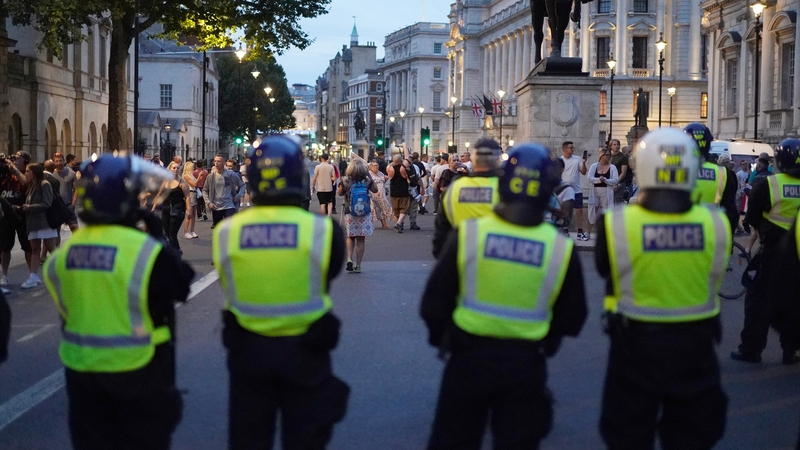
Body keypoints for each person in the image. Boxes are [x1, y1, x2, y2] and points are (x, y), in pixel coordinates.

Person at [420, 142, 587, 449]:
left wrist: (446, 339)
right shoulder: (559, 248)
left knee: (453, 439)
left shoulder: (471, 234)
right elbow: (573, 316)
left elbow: (434, 301)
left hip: (468, 356)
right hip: (525, 361)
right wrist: (546, 343)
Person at [43, 155, 193, 450]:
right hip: (139, 370)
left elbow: (66, 307)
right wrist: (157, 234)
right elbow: (182, 285)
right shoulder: (144, 250)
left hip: (81, 372)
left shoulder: (64, 254)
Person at [596, 128, 730, 450]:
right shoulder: (717, 223)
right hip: (696, 346)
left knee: (627, 436)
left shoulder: (616, 223)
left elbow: (606, 270)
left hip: (633, 344)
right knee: (691, 437)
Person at [214, 136, 349, 449]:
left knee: (249, 438)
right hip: (307, 351)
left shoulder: (227, 232)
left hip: (248, 352)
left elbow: (227, 276)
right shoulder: (324, 230)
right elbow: (329, 273)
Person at [731, 138, 800, 365]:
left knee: (758, 302)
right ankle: (793, 350)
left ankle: (751, 349)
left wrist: (762, 231)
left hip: (773, 252)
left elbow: (751, 217)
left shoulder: (770, 184)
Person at [433, 138, 501, 259]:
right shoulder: (505, 189)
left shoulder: (454, 188)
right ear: (497, 159)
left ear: (473, 159)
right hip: (494, 255)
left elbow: (441, 233)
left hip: (460, 253)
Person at [684, 123, 739, 233]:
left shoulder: (676, 170)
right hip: (713, 232)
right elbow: (731, 213)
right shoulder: (723, 173)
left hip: (684, 233)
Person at [338, 158, 378, 273]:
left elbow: (340, 193)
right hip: (364, 213)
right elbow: (375, 190)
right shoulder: (366, 181)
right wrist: (369, 176)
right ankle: (358, 265)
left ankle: (349, 259)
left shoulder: (346, 180)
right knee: (361, 238)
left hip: (350, 212)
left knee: (350, 237)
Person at [21, 163, 57, 289]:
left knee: (51, 248)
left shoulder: (44, 184)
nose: (25, 174)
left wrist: (30, 207)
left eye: (27, 171)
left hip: (44, 222)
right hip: (33, 223)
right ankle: (33, 277)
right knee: (35, 249)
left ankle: (63, 273)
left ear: (34, 172)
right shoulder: (31, 186)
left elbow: (47, 203)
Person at [0, 151, 31, 290]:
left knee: (27, 246)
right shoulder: (4, 174)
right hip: (6, 216)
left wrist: (15, 169)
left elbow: (25, 182)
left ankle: (32, 275)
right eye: (13, 159)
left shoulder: (28, 173)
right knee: (5, 248)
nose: (14, 161)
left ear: (25, 161)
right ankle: (4, 275)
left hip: (22, 215)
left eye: (17, 159)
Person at [154, 162, 191, 255]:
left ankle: (172, 254)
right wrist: (154, 206)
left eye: (178, 168)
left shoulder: (182, 182)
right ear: (170, 169)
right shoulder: (166, 181)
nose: (176, 170)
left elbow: (187, 197)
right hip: (166, 209)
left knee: (172, 233)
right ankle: (177, 250)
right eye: (174, 168)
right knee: (167, 232)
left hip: (178, 210)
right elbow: (159, 194)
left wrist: (189, 210)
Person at [203, 154, 245, 229]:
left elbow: (242, 185)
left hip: (229, 205)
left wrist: (238, 196)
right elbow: (205, 190)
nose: (216, 163)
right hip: (216, 207)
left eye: (219, 161)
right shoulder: (211, 176)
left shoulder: (230, 174)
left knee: (229, 229)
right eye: (215, 161)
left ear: (223, 163)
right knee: (218, 230)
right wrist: (208, 203)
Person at [585, 149, 618, 240]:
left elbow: (615, 179)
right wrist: (599, 180)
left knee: (606, 212)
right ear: (601, 156)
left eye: (609, 155)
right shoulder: (594, 166)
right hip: (595, 191)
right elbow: (589, 178)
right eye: (606, 155)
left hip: (606, 191)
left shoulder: (612, 167)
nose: (608, 156)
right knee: (592, 211)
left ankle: (607, 234)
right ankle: (588, 232)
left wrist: (606, 180)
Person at [559, 141, 588, 240]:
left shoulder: (577, 159)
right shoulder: (560, 160)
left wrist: (584, 163)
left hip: (577, 189)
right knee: (565, 211)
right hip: (565, 190)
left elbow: (583, 172)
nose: (572, 149)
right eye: (570, 147)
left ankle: (580, 232)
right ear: (564, 149)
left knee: (579, 210)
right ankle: (565, 230)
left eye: (573, 147)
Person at [53, 152, 79, 233]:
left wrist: (73, 204)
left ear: (64, 161)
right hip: (56, 207)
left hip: (68, 206)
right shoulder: (52, 174)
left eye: (60, 161)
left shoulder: (71, 173)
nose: (58, 163)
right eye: (56, 161)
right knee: (56, 232)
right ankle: (57, 246)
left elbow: (76, 190)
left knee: (75, 228)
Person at [386, 154, 411, 233]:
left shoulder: (389, 168)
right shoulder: (403, 169)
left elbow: (390, 165)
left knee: (395, 209)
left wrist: (393, 162)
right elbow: (407, 161)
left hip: (393, 191)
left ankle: (398, 224)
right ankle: (399, 223)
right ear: (401, 161)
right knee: (404, 208)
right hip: (403, 190)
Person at [368, 161, 392, 228]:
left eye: (377, 165)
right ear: (371, 167)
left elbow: (383, 181)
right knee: (373, 208)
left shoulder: (380, 173)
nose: (376, 167)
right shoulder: (369, 174)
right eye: (374, 166)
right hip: (373, 194)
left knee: (382, 208)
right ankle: (371, 224)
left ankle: (384, 224)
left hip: (382, 194)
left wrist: (385, 179)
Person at [608, 139, 629, 204]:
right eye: (614, 144)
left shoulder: (623, 157)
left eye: (618, 144)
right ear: (611, 146)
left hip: (619, 183)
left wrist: (615, 182)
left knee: (617, 203)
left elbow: (623, 173)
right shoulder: (609, 156)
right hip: (609, 182)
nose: (616, 146)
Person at [182, 161, 198, 239]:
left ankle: (192, 230)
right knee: (189, 214)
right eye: (192, 167)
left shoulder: (192, 175)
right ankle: (186, 231)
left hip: (194, 193)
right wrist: (199, 177)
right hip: (190, 193)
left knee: (194, 214)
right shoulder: (186, 176)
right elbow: (194, 184)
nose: (193, 168)